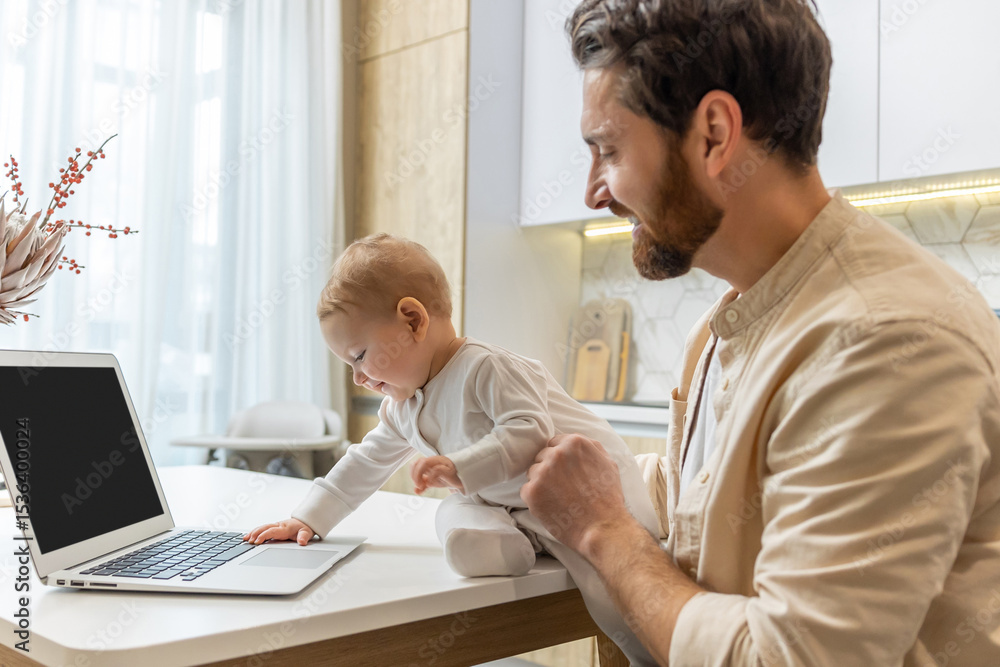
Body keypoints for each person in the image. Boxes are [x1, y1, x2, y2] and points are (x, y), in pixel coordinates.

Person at [521, 0, 1000, 665]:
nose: (593, 192)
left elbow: (789, 658)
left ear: (715, 134)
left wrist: (604, 530)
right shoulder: (727, 324)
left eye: (608, 149)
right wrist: (543, 464)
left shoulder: (885, 339)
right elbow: (708, 509)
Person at [244, 233, 663, 665]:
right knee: (451, 510)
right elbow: (365, 461)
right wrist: (307, 518)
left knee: (608, 595)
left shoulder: (486, 367)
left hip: (591, 502)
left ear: (412, 321)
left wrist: (460, 467)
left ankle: (652, 655)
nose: (358, 378)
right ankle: (498, 547)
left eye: (360, 356)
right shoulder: (402, 406)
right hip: (520, 509)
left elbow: (529, 431)